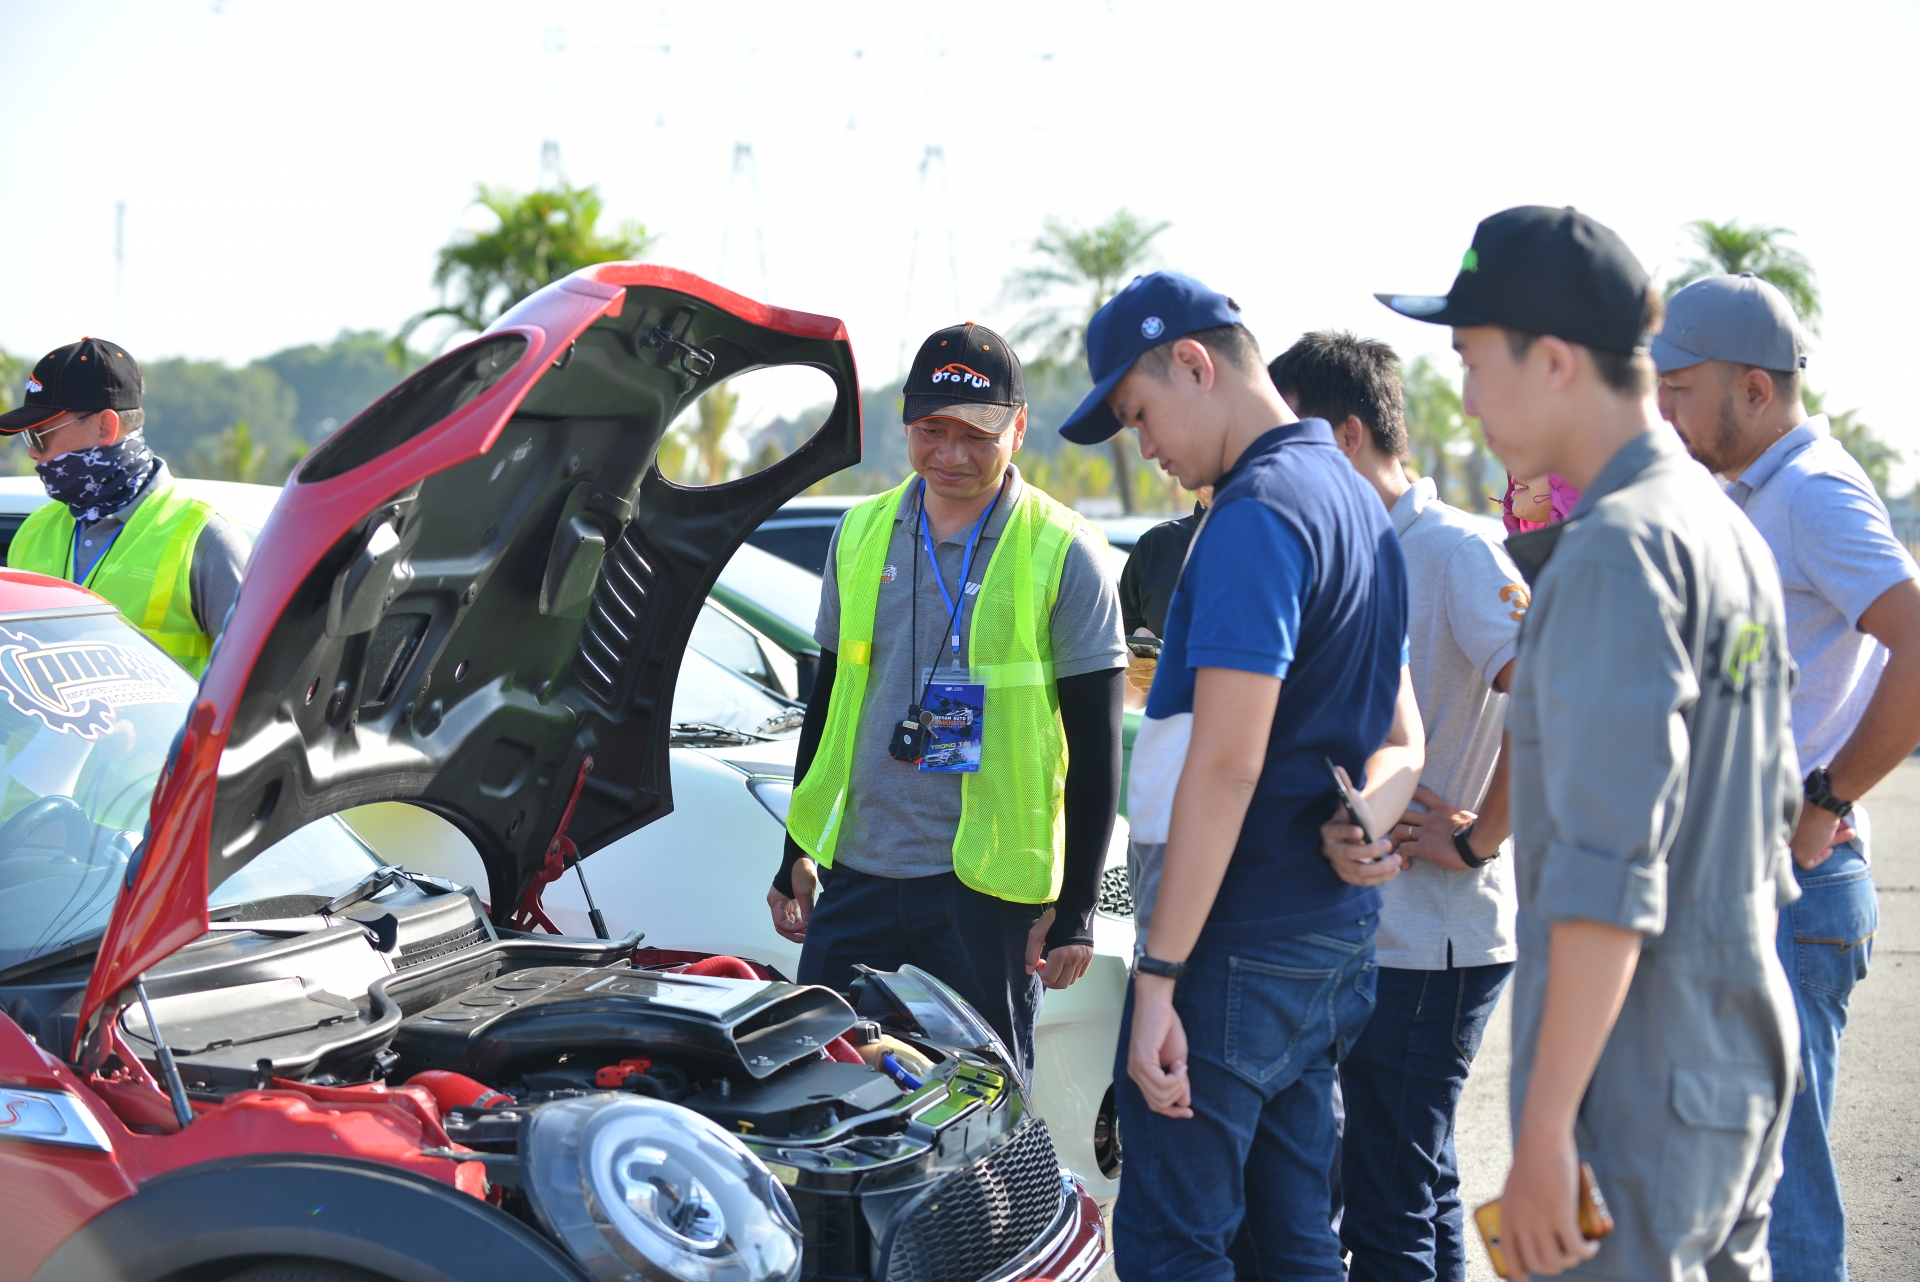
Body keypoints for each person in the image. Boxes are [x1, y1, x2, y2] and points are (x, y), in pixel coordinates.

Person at [1373, 206, 1801, 1281]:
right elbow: (1769, 804)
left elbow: (1613, 872)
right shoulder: (1719, 526)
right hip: (1730, 1057)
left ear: (1554, 360)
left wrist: (1551, 1125)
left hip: (1639, 1084)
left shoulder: (1616, 551)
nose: (1462, 397)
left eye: (1473, 360)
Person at [1063, 271, 1423, 1279]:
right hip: (1327, 941)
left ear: (1194, 362)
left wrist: (1162, 977)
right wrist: (1369, 824)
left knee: (1178, 1244)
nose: (1147, 450)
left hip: (1232, 947)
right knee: (1295, 1240)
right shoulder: (1356, 501)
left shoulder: (1255, 513)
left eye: (1141, 415)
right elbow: (1408, 741)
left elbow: (1226, 766)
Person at [1653, 273, 1920, 1282]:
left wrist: (1829, 800)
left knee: (1787, 1211)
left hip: (1794, 887)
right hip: (1744, 883)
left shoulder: (1811, 492)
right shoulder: (1752, 492)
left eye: (1681, 388)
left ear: (1754, 389)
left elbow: (1917, 640)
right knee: (1738, 1201)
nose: (1666, 411)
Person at [771, 321, 1124, 1074]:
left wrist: (1077, 911)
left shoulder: (1066, 549)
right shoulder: (860, 533)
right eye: (932, 430)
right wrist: (794, 847)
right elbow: (829, 696)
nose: (952, 455)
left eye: (978, 434)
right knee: (823, 1089)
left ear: (1019, 429)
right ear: (906, 421)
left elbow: (1097, 745)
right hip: (860, 872)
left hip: (983, 893)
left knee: (981, 1106)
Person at [1278, 330, 1521, 1282]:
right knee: (1417, 1180)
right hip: (1382, 935)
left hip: (1438, 941)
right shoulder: (1358, 549)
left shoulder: (1455, 549)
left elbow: (1553, 694)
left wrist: (1478, 838)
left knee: (1386, 1202)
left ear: (1342, 438)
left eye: (1287, 440)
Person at [1, 338, 249, 675]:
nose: (32, 452)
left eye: (38, 435)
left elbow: (254, 692)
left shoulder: (207, 539)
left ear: (105, 426)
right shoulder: (33, 530)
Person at [1116, 485, 1209, 705]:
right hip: (1172, 732)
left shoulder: (1284, 540)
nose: (1149, 452)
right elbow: (1127, 696)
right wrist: (1137, 674)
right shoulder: (1156, 546)